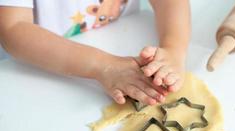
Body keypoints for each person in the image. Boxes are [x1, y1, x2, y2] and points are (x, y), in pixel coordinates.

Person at [0, 0, 190, 105]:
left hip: (125, 33)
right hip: (37, 77)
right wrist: (102, 65)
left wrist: (173, 49)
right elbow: (14, 28)